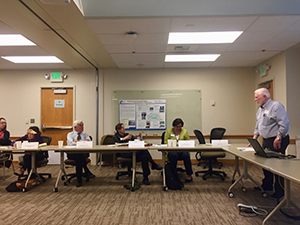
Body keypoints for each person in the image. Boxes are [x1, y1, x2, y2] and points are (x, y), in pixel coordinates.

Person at [249, 88, 290, 199]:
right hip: (267, 140)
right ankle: (267, 185)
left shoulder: (276, 106)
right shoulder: (261, 109)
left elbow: (284, 123)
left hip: (277, 139)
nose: (255, 99)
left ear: (265, 97)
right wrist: (255, 137)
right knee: (265, 164)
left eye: (257, 97)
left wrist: (279, 137)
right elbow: (259, 125)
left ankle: (280, 191)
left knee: (277, 166)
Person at [67, 120, 95, 187]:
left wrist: (78, 142)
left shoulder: (86, 134)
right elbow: (70, 143)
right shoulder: (70, 134)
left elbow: (89, 143)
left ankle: (79, 179)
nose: (82, 127)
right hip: (72, 153)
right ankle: (86, 171)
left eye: (82, 125)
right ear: (75, 127)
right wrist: (83, 142)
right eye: (80, 125)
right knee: (79, 157)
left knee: (79, 158)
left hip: (83, 153)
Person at [164, 118, 193, 182]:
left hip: (182, 151)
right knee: (173, 155)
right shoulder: (168, 132)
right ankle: (173, 174)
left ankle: (189, 175)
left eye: (180, 127)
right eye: (177, 126)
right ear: (173, 126)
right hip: (172, 151)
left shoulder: (184, 131)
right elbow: (165, 142)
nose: (178, 128)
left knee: (186, 155)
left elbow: (188, 142)